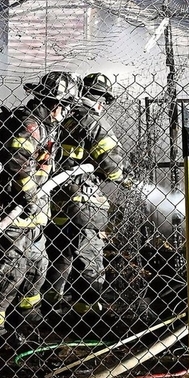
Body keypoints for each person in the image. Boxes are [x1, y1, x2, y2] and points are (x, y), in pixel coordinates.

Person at [0, 71, 79, 345]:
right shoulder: (30, 125)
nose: (64, 113)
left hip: (33, 216)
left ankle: (26, 327)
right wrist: (29, 199)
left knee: (37, 269)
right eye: (65, 106)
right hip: (12, 212)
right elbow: (18, 163)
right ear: (56, 104)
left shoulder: (43, 126)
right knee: (11, 268)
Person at [44, 72, 131, 318]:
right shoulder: (94, 121)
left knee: (59, 258)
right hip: (84, 205)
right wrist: (122, 176)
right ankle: (88, 315)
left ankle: (50, 308)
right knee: (90, 260)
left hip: (55, 203)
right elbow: (111, 167)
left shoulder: (60, 116)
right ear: (101, 98)